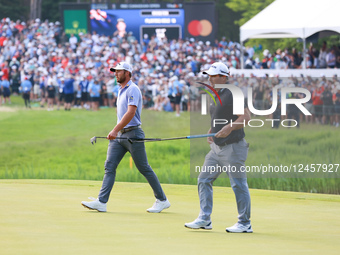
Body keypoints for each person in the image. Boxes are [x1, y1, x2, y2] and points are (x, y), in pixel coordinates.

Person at [81, 62, 170, 213]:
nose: (115, 73)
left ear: (127, 73)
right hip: (120, 136)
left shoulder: (133, 89)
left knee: (143, 168)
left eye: (119, 71)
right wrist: (117, 131)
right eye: (115, 71)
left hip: (133, 134)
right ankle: (102, 202)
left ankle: (162, 200)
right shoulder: (121, 89)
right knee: (109, 166)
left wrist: (115, 130)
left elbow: (130, 113)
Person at [184, 62, 252, 233]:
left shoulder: (232, 93)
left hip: (234, 147)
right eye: (209, 75)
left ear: (224, 76)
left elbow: (246, 117)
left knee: (238, 184)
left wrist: (229, 127)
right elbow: (220, 116)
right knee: (204, 179)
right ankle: (205, 219)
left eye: (213, 76)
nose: (210, 79)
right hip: (216, 147)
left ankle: (245, 223)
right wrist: (212, 130)